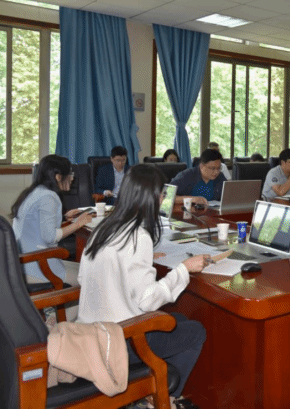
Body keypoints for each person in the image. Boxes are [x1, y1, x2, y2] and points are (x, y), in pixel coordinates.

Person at [77, 164, 209, 406]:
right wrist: (184, 269)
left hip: (91, 331)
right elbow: (148, 301)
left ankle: (153, 389)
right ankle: (163, 398)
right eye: (162, 195)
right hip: (120, 341)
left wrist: (140, 261)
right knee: (196, 331)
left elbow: (84, 278)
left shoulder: (104, 228)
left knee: (179, 320)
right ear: (151, 197)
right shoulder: (138, 236)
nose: (163, 200)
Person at [11, 154, 93, 287]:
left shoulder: (35, 191)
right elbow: (50, 237)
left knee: (85, 270)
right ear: (58, 177)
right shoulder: (49, 197)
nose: (72, 178)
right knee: (90, 277)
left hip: (24, 262)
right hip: (38, 266)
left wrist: (65, 218)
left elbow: (39, 226)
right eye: (70, 173)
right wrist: (79, 223)